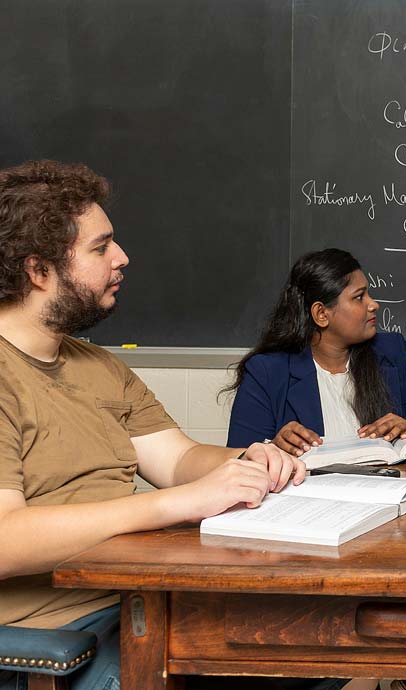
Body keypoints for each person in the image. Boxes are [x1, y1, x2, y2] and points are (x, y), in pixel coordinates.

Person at [0, 159, 345, 690]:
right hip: (56, 639)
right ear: (38, 270)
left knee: (323, 650)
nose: (122, 258)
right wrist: (176, 504)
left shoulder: (97, 365)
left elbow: (177, 460)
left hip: (142, 602)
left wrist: (249, 460)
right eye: (100, 247)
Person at [226, 248, 406, 455]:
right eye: (359, 297)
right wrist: (272, 448)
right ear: (321, 314)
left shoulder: (393, 351)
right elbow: (238, 458)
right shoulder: (266, 372)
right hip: (309, 494)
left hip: (388, 491)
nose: (373, 304)